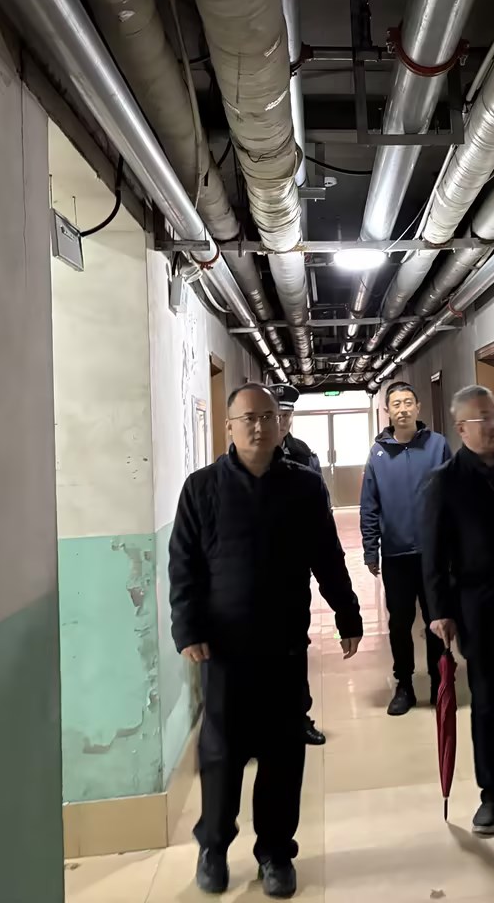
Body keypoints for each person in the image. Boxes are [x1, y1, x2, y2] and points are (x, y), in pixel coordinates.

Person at [170, 384, 363, 898]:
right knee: (221, 754)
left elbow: (326, 555)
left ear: (281, 424)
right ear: (229, 427)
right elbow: (184, 565)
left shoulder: (303, 487)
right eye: (248, 418)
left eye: (267, 417)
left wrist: (347, 612)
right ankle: (213, 847)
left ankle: (276, 853)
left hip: (283, 646)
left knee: (283, 753)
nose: (258, 427)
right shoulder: (202, 488)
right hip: (224, 651)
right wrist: (187, 628)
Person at [421, 385, 494, 836]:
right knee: (487, 698)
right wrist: (439, 610)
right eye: (481, 419)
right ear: (461, 428)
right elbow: (433, 553)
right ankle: (492, 794)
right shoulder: (445, 480)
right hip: (478, 604)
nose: (492, 425)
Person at [360, 380, 452, 715]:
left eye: (408, 402)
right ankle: (405, 685)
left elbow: (452, 496)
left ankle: (441, 681)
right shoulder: (378, 454)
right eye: (396, 404)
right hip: (396, 555)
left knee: (437, 619)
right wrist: (371, 549)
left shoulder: (438, 445)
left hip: (433, 554)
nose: (402, 409)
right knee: (399, 624)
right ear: (388, 411)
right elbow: (369, 505)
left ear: (418, 407)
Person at [270, 382, 327, 747]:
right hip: (251, 576)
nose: (281, 421)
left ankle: (299, 718)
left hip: (292, 575)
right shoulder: (235, 462)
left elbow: (321, 521)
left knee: (295, 649)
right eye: (276, 414)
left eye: (287, 415)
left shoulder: (305, 456)